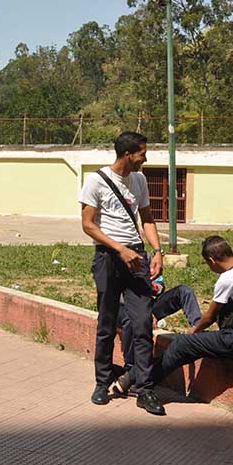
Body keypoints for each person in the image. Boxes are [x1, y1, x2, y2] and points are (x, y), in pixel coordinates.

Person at [80, 131, 166, 416]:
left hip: (136, 257)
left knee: (142, 322)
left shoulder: (139, 180)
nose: (145, 158)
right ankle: (102, 383)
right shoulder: (96, 181)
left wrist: (157, 252)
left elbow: (147, 217)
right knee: (107, 322)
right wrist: (119, 249)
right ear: (128, 154)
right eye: (142, 153)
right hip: (108, 257)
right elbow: (88, 224)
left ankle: (144, 389)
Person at [141, 236, 233, 389]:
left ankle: (144, 383)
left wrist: (194, 331)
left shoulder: (227, 278)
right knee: (225, 302)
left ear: (212, 260)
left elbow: (209, 318)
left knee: (182, 344)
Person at [109, 276, 203, 396]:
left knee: (184, 291)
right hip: (122, 307)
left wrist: (154, 288)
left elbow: (160, 285)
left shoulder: (149, 258)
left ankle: (198, 330)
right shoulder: (118, 259)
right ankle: (130, 370)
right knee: (132, 320)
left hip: (146, 304)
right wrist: (142, 313)